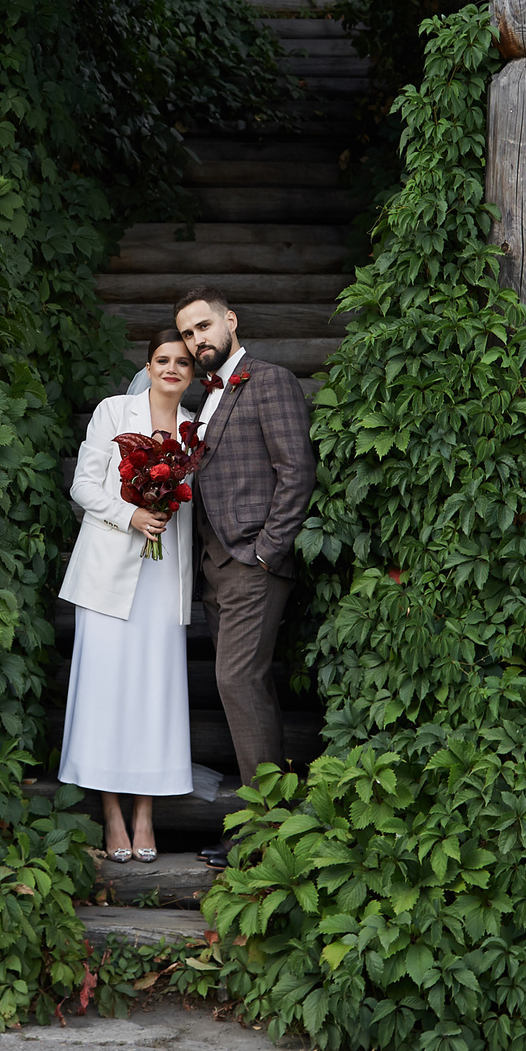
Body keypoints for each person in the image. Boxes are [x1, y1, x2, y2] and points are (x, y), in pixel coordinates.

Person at [174, 286, 313, 870]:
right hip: (215, 568)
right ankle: (268, 823)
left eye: (204, 327)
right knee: (244, 686)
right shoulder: (204, 399)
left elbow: (296, 470)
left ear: (231, 320)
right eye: (186, 334)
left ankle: (264, 830)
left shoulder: (269, 380)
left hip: (253, 564)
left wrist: (266, 552)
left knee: (236, 681)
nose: (196, 340)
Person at [58, 326, 199, 862]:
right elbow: (84, 486)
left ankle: (146, 815)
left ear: (193, 374)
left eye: (182, 362)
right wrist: (132, 513)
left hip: (164, 576)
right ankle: (113, 814)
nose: (171, 369)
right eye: (162, 359)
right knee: (106, 690)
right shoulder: (114, 411)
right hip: (109, 569)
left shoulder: (195, 427)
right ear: (148, 364)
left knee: (153, 693)